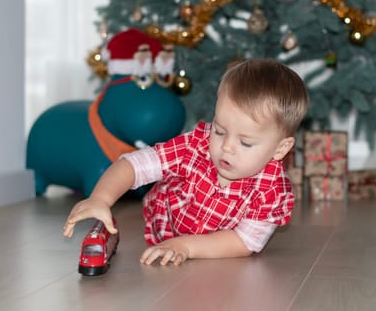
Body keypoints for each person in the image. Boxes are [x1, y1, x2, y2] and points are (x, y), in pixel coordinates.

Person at [63, 58, 309, 266]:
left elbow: (244, 242)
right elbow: (134, 165)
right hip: (166, 220)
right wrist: (100, 198)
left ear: (280, 148)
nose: (226, 147)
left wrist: (187, 247)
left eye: (245, 142)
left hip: (213, 244)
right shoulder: (195, 146)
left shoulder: (273, 190)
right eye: (220, 131)